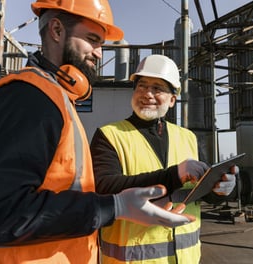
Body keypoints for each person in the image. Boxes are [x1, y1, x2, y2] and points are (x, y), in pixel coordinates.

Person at [0, 1, 197, 263]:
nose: (99, 53)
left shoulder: (56, 99)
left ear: (173, 99)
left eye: (101, 44)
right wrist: (113, 207)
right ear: (57, 30)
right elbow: (4, 211)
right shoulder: (31, 99)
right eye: (92, 40)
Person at [90, 54, 238, 264]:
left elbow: (200, 191)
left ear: (172, 100)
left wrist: (221, 190)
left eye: (157, 88)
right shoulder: (109, 135)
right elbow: (104, 186)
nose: (147, 94)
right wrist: (174, 175)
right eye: (141, 86)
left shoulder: (188, 137)